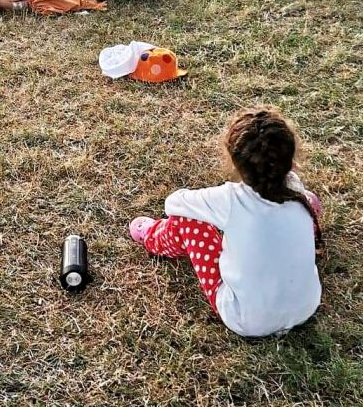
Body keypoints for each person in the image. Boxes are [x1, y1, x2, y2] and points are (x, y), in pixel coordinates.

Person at [127, 106, 322, 337]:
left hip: (246, 320)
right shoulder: (295, 186)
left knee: (185, 220)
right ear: (291, 157)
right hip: (306, 307)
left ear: (235, 161)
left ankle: (152, 236)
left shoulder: (229, 199)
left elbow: (173, 204)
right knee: (307, 201)